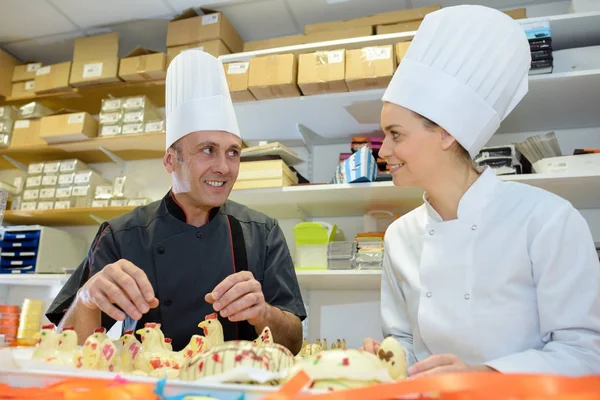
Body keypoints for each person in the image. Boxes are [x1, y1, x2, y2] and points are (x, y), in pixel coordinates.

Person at [361, 5, 600, 376]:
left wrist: (484, 376)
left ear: (446, 132)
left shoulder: (547, 220)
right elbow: (405, 343)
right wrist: (385, 358)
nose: (383, 151)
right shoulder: (400, 235)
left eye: (396, 134)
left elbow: (585, 354)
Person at [46, 50, 306, 354]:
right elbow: (66, 350)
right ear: (171, 160)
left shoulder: (262, 232)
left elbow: (293, 343)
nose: (224, 166)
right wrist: (87, 298)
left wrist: (263, 313)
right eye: (208, 150)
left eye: (233, 152)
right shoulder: (121, 235)